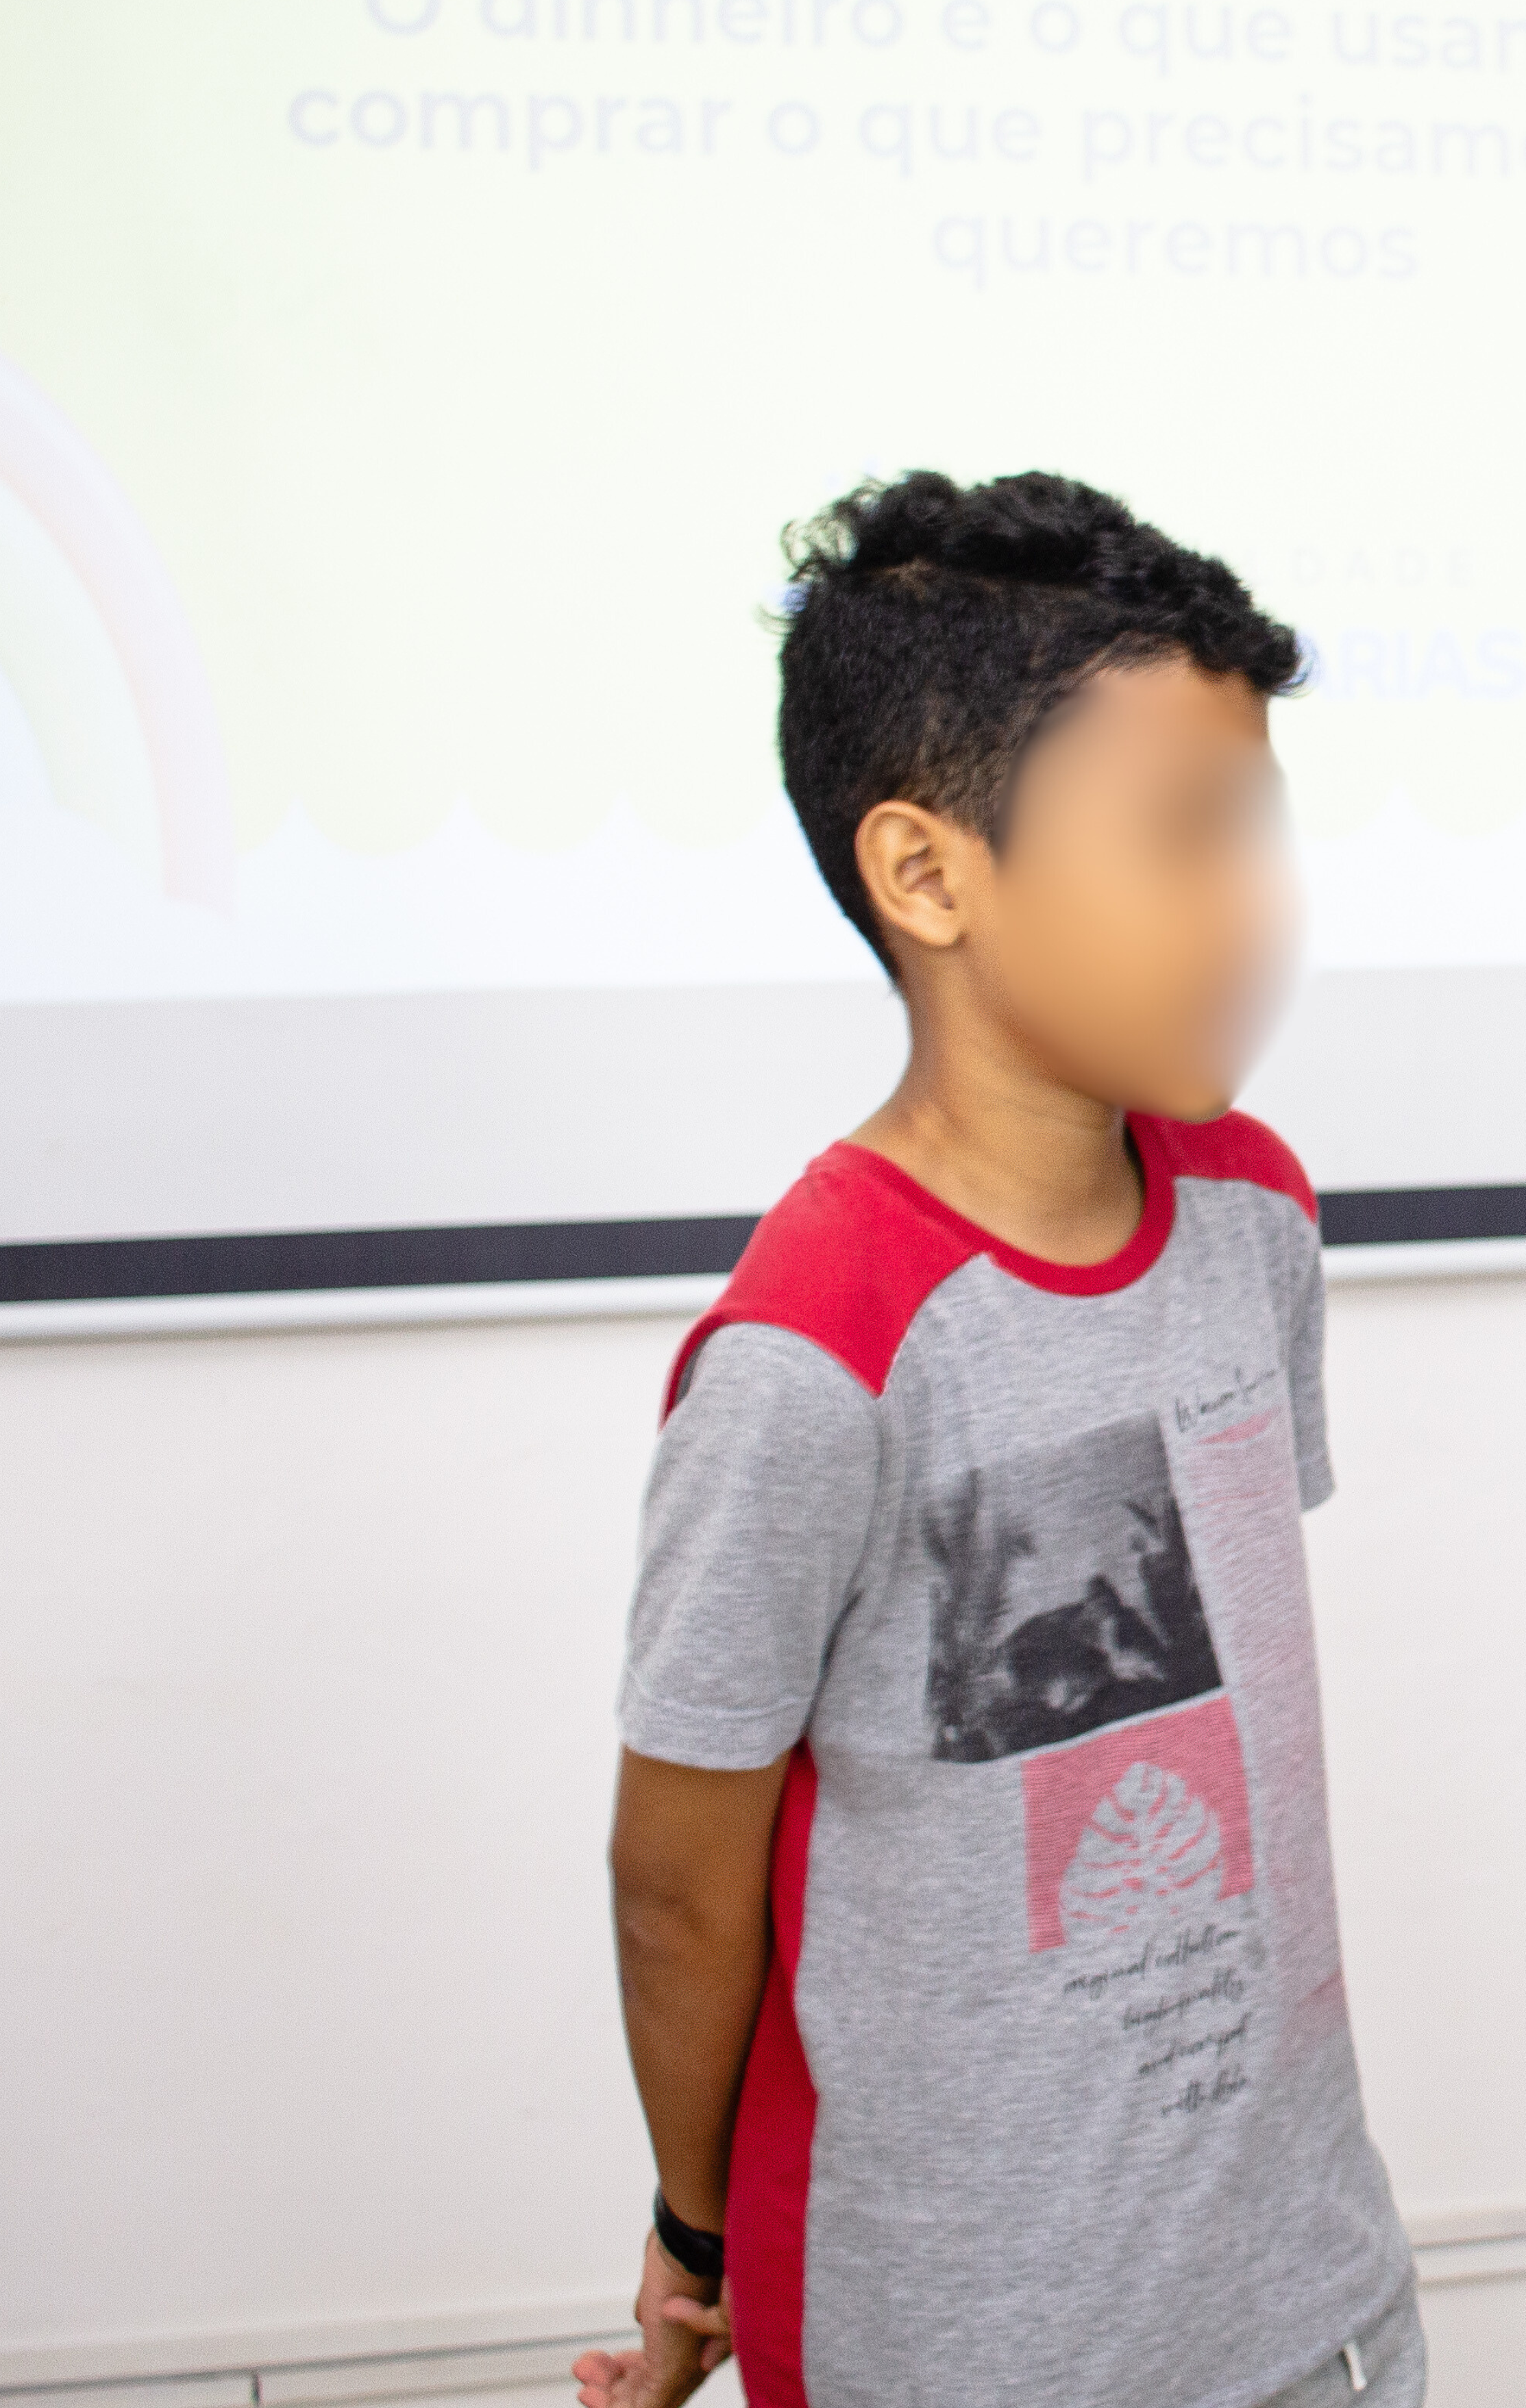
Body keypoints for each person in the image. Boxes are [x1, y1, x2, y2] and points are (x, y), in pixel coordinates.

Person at [573, 472, 1421, 2408]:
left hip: (1309, 2301)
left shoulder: (1253, 1212)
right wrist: (699, 2240)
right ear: (929, 874)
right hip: (961, 2345)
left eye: (1255, 829)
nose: (1252, 906)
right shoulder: (816, 1349)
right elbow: (679, 1875)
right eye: (1180, 839)